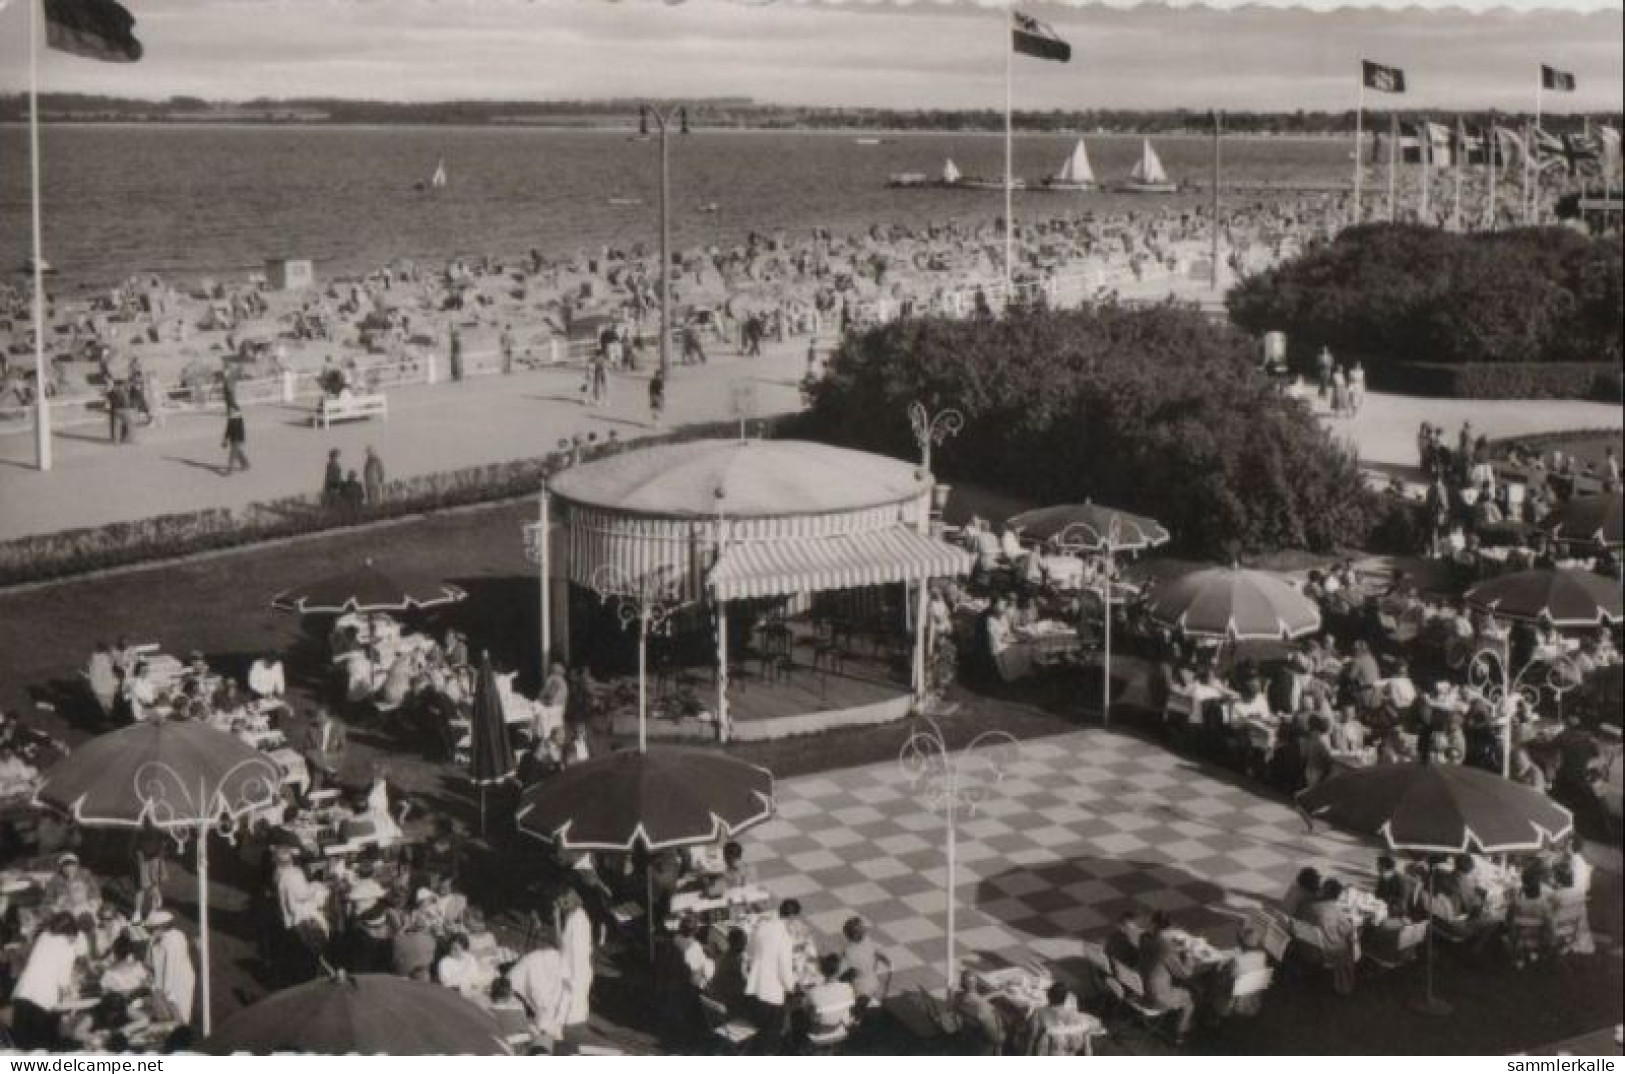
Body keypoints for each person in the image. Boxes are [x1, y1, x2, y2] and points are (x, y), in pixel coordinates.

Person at [745, 898, 800, 1051]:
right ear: (791, 917)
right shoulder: (785, 937)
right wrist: (792, 986)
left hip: (754, 988)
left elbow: (750, 951)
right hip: (772, 995)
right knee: (770, 1036)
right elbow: (784, 970)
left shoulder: (762, 926)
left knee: (759, 1032)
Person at [1137, 912, 1196, 1040]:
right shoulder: (1166, 950)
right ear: (1170, 929)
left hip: (1140, 991)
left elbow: (1157, 944)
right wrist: (1188, 953)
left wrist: (1174, 947)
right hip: (1156, 998)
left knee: (1173, 982)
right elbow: (1185, 974)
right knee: (1189, 997)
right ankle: (1180, 1033)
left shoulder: (1143, 939)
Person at [508, 937, 571, 1041]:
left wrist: (558, 1021)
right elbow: (536, 990)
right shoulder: (540, 960)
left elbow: (564, 994)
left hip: (526, 996)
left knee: (546, 1019)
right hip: (514, 992)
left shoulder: (560, 968)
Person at [147, 910, 196, 1026]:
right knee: (164, 1014)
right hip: (161, 979)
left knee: (180, 1012)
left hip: (178, 982)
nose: (150, 932)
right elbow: (150, 960)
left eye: (152, 929)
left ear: (161, 927)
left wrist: (167, 991)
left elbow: (171, 967)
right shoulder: (155, 938)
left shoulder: (175, 940)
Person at [835, 917, 889, 1014]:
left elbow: (840, 974)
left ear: (848, 935)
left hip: (859, 989)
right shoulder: (870, 943)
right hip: (874, 983)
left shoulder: (849, 952)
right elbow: (883, 956)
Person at [559, 889, 594, 1029]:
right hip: (570, 972)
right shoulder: (572, 916)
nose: (560, 904)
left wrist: (572, 979)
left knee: (572, 1020)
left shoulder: (579, 920)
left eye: (563, 900)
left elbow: (578, 954)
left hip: (576, 975)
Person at [803, 952, 856, 1044]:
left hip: (818, 1034)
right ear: (838, 970)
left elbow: (806, 1009)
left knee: (799, 1013)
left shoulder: (814, 991)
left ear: (821, 971)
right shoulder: (848, 988)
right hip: (839, 1029)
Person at [302, 709, 347, 791]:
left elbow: (343, 750)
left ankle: (316, 788)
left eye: (320, 717)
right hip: (316, 758)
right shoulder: (311, 729)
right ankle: (325, 778)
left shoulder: (339, 729)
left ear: (327, 717)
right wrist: (318, 756)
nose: (317, 720)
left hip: (332, 758)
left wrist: (330, 757)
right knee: (317, 764)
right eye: (316, 717)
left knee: (318, 770)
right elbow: (306, 749)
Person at [221, 402, 250, 474]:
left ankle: (229, 470)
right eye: (230, 410)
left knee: (232, 454)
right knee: (238, 452)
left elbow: (240, 430)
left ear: (236, 410)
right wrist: (225, 439)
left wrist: (237, 439)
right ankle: (246, 464)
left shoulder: (239, 419)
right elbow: (228, 429)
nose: (230, 411)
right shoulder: (230, 418)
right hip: (232, 438)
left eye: (232, 410)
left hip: (237, 438)